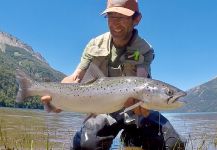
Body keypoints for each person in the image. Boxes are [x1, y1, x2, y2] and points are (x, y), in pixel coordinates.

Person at [41, 0, 186, 149]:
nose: (115, 23)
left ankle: (131, 137)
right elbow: (75, 78)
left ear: (136, 19)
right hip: (102, 110)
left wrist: (143, 104)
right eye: (111, 16)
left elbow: (142, 80)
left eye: (122, 17)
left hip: (135, 110)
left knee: (173, 144)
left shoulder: (144, 49)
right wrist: (58, 97)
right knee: (87, 145)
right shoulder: (94, 45)